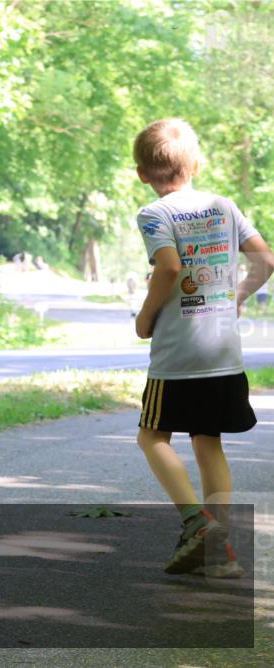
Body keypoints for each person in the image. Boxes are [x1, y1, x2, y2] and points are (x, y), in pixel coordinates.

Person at [132, 118, 273, 578]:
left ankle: (196, 523)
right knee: (207, 442)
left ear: (141, 173)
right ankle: (217, 554)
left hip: (178, 355)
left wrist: (146, 316)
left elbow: (169, 269)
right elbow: (266, 259)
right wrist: (238, 295)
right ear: (196, 163)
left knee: (152, 436)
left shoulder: (155, 214)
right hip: (222, 353)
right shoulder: (223, 206)